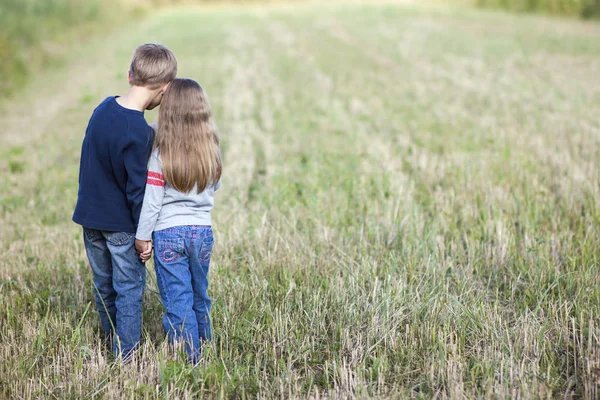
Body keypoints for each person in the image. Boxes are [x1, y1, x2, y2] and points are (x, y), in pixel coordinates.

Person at [72, 44, 178, 359]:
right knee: (129, 289)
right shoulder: (140, 133)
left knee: (104, 284)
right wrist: (142, 234)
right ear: (166, 89)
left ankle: (109, 337)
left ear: (129, 75)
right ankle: (126, 354)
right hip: (120, 226)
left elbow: (89, 158)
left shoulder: (103, 108)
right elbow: (137, 191)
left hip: (90, 218)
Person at [135, 78, 222, 363]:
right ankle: (206, 347)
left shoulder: (161, 154)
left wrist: (142, 236)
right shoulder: (211, 149)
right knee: (200, 293)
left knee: (178, 299)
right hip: (203, 232)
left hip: (168, 232)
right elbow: (215, 186)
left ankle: (190, 359)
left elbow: (152, 201)